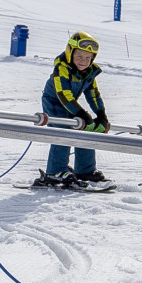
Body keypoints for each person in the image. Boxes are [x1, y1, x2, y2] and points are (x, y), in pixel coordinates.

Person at [32, 31, 113, 189]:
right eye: (79, 57)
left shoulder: (88, 73)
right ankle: (55, 172)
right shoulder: (62, 68)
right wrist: (81, 113)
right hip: (54, 103)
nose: (84, 61)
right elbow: (64, 94)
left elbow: (93, 95)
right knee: (63, 133)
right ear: (70, 53)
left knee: (86, 131)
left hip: (71, 106)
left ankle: (85, 170)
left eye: (88, 58)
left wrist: (101, 114)